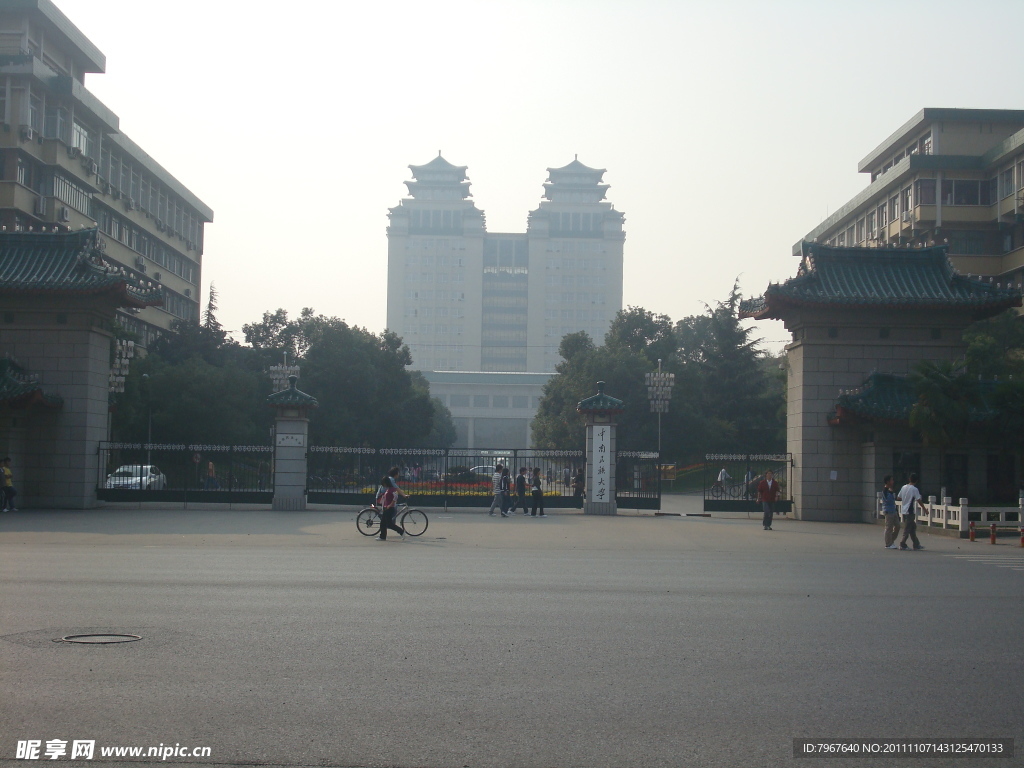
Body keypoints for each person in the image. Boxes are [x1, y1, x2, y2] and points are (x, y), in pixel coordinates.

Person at [374, 466, 406, 541]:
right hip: (387, 508)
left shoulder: (391, 490)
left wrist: (389, 505)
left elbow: (395, 497)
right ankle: (382, 537)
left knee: (389, 524)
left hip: (389, 508)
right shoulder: (389, 489)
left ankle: (401, 531)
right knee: (383, 523)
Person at [897, 473, 924, 551]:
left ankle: (916, 544)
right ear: (916, 481)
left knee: (912, 527)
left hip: (904, 510)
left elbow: (899, 497)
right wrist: (924, 509)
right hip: (910, 511)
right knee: (908, 528)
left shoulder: (903, 487)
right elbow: (919, 500)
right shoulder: (914, 489)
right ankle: (902, 544)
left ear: (909, 479)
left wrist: (905, 498)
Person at [881, 475, 901, 549]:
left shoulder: (890, 490)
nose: (893, 482)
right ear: (888, 482)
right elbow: (887, 500)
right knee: (889, 527)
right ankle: (888, 544)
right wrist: (891, 492)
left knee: (897, 526)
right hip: (888, 511)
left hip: (893, 511)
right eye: (891, 480)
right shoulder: (885, 491)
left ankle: (891, 540)